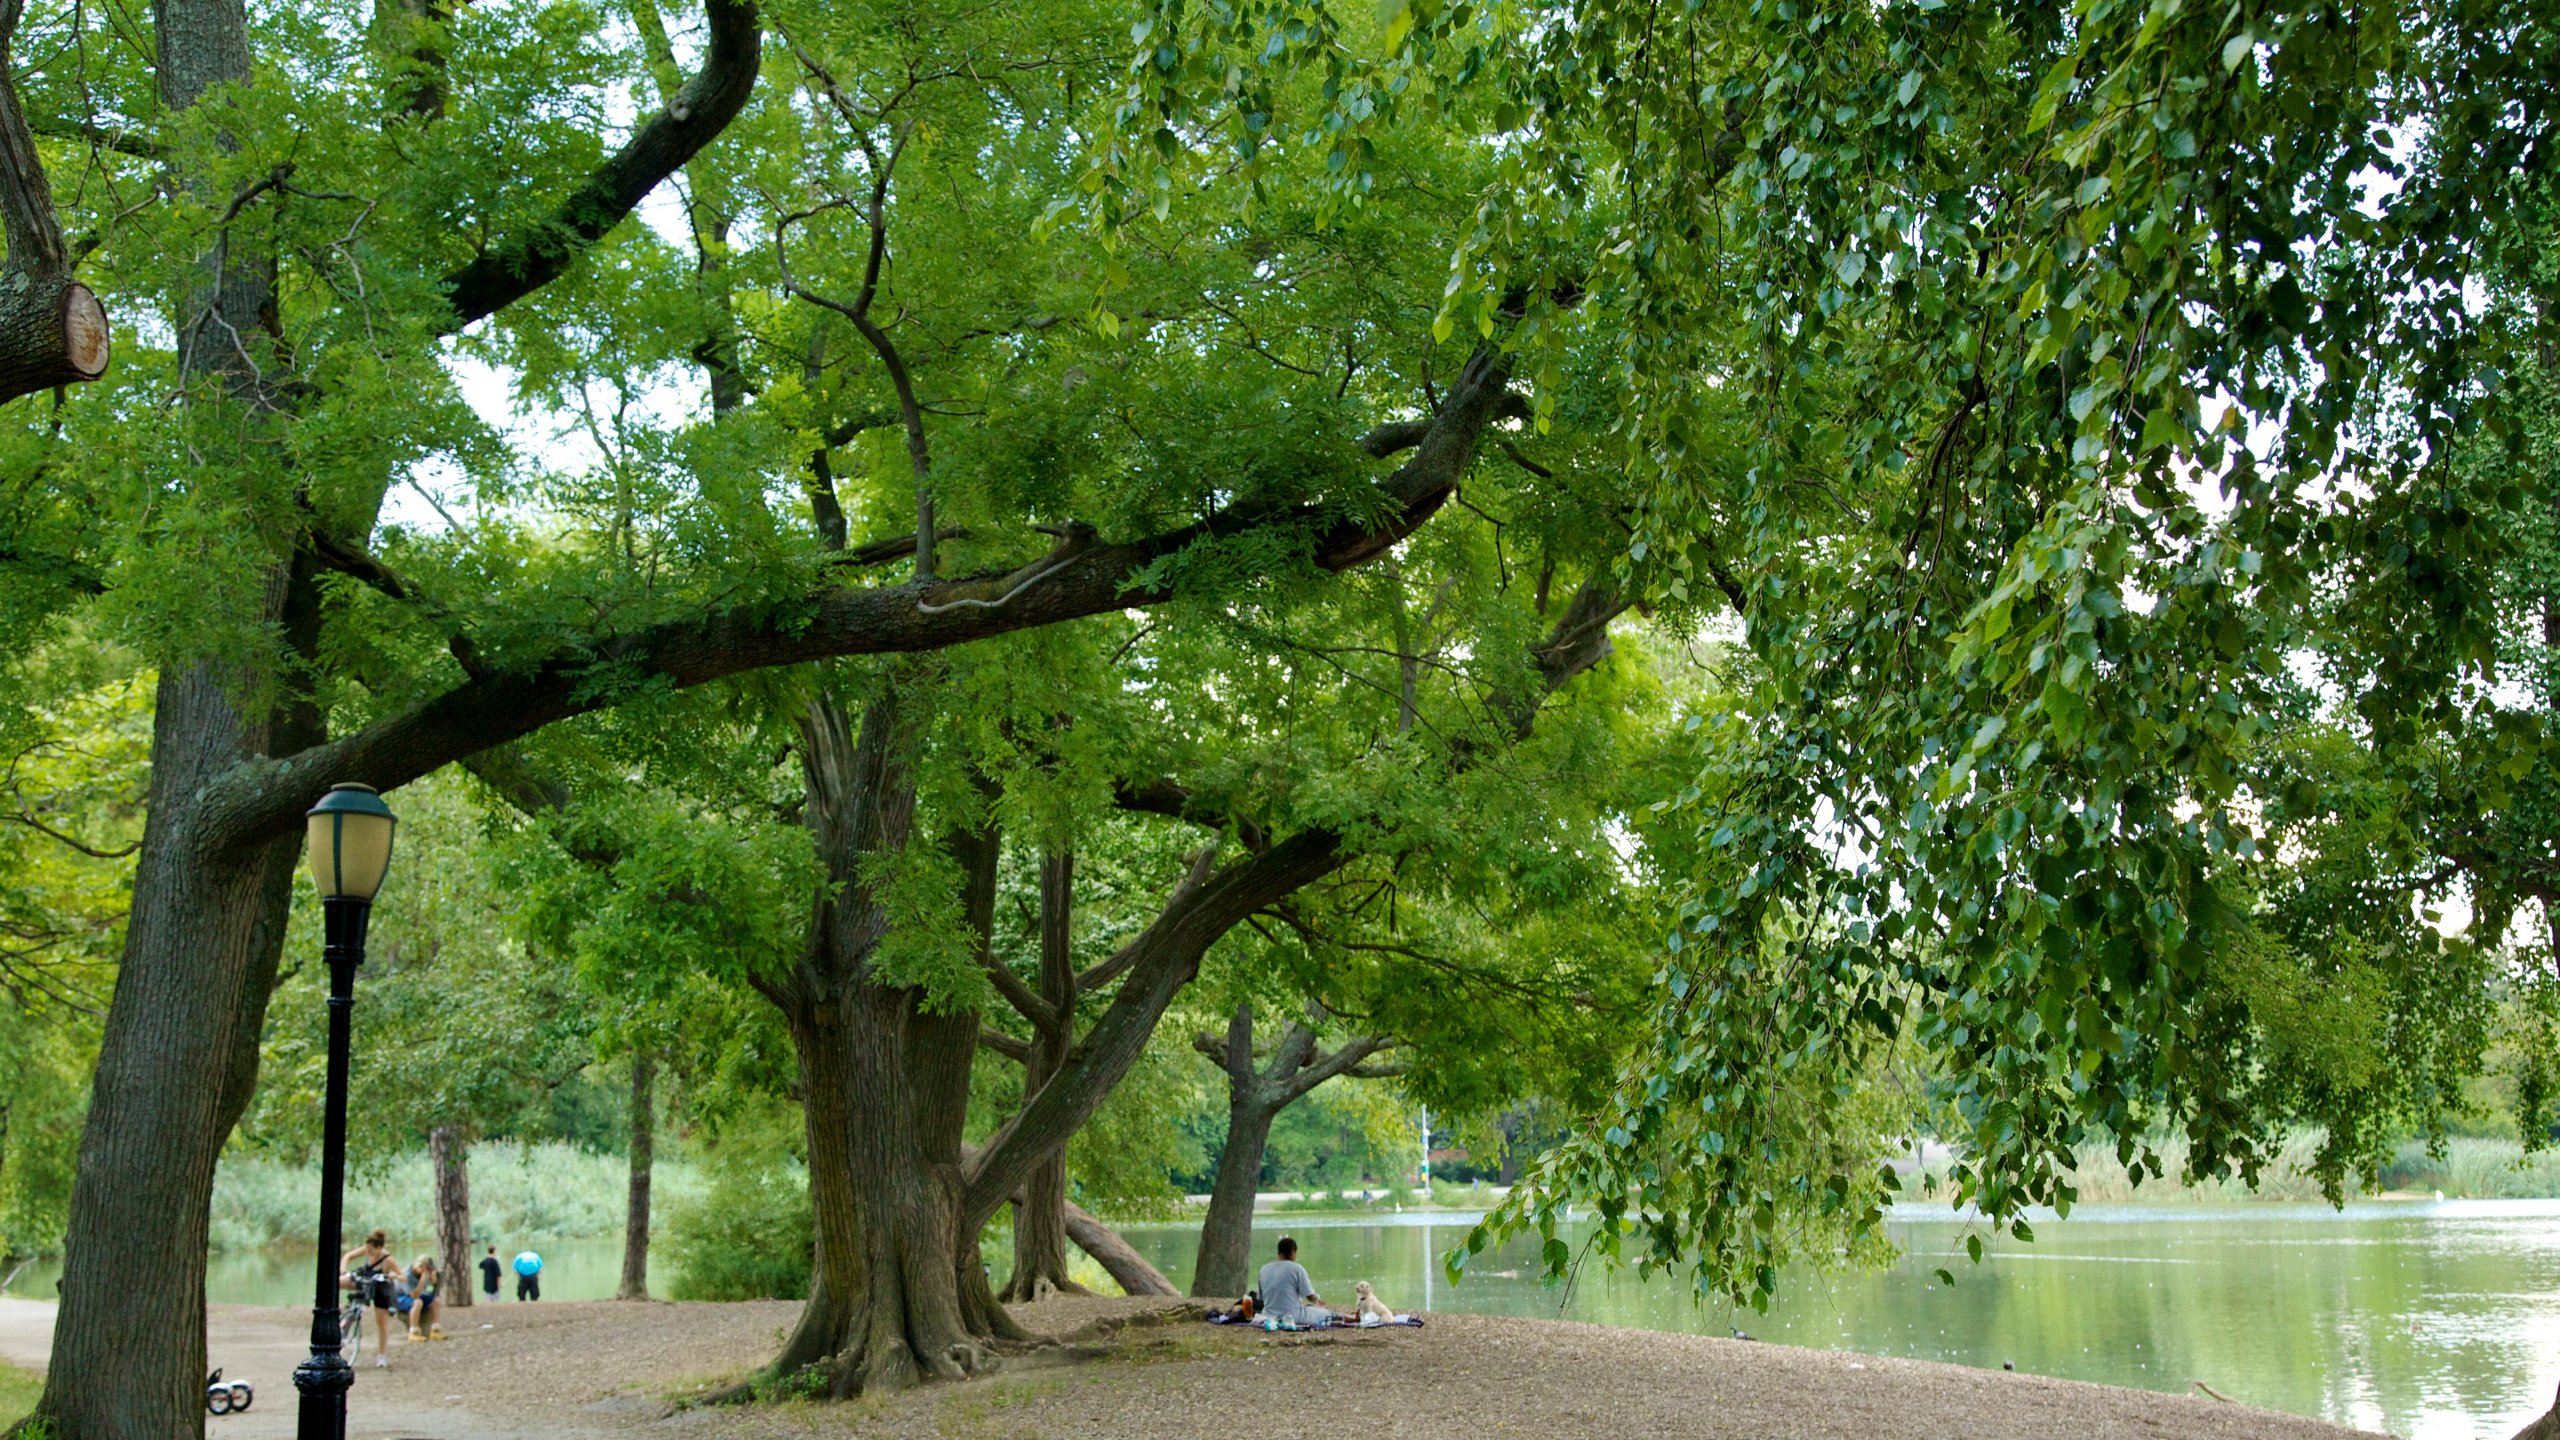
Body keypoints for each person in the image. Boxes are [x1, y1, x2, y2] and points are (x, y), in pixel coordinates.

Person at [339, 1229, 400, 1367]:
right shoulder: (367, 1249)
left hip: (380, 1288)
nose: (368, 1252)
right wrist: (343, 1270)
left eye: (371, 1250)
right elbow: (347, 1256)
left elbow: (402, 1276)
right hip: (365, 1282)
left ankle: (381, 1356)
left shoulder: (388, 1259)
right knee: (337, 1282)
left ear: (379, 1247)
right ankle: (341, 1316)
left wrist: (392, 1276)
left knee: (381, 1322)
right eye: (367, 1249)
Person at [1255, 1236, 1347, 1328]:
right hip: (1292, 1316)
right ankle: (1353, 1318)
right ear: (1292, 1253)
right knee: (1327, 1314)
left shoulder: (1264, 1269)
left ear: (1278, 1252)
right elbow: (1310, 1296)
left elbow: (1262, 1299)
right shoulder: (1296, 1268)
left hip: (1268, 1315)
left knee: (1310, 1308)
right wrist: (1317, 1299)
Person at [406, 1254, 444, 1340]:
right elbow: (414, 1295)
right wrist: (423, 1279)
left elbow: (433, 1292)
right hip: (402, 1297)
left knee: (436, 1300)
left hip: (417, 1295)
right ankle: (413, 1332)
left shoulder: (423, 1273)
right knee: (418, 1302)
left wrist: (434, 1281)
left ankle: (435, 1329)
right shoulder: (408, 1274)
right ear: (421, 1267)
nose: (428, 1272)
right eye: (427, 1269)